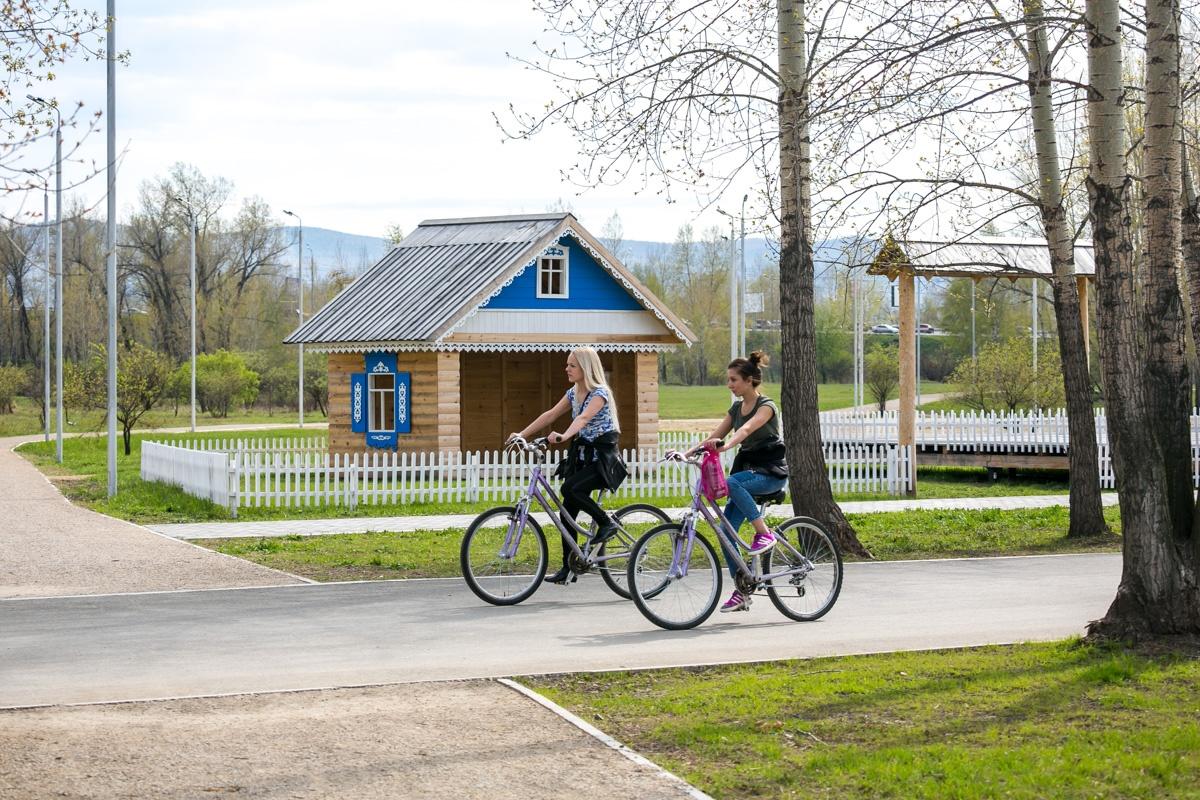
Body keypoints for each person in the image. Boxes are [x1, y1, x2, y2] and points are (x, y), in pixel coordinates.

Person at [510, 347, 628, 584]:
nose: (567, 369)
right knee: (567, 513)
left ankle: (607, 523)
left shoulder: (600, 393)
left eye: (571, 365)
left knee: (570, 489)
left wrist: (564, 436)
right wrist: (521, 434)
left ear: (585, 368)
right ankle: (569, 566)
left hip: (603, 460)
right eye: (567, 365)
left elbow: (582, 419)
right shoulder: (574, 392)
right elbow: (550, 414)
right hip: (584, 457)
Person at [691, 351, 788, 612]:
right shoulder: (736, 409)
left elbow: (745, 430)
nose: (729, 384)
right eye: (729, 380)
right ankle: (743, 588)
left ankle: (765, 534)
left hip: (769, 474)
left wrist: (726, 446)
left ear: (748, 381)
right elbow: (715, 434)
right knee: (725, 533)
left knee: (733, 482)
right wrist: (686, 453)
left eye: (734, 380)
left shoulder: (766, 406)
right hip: (749, 474)